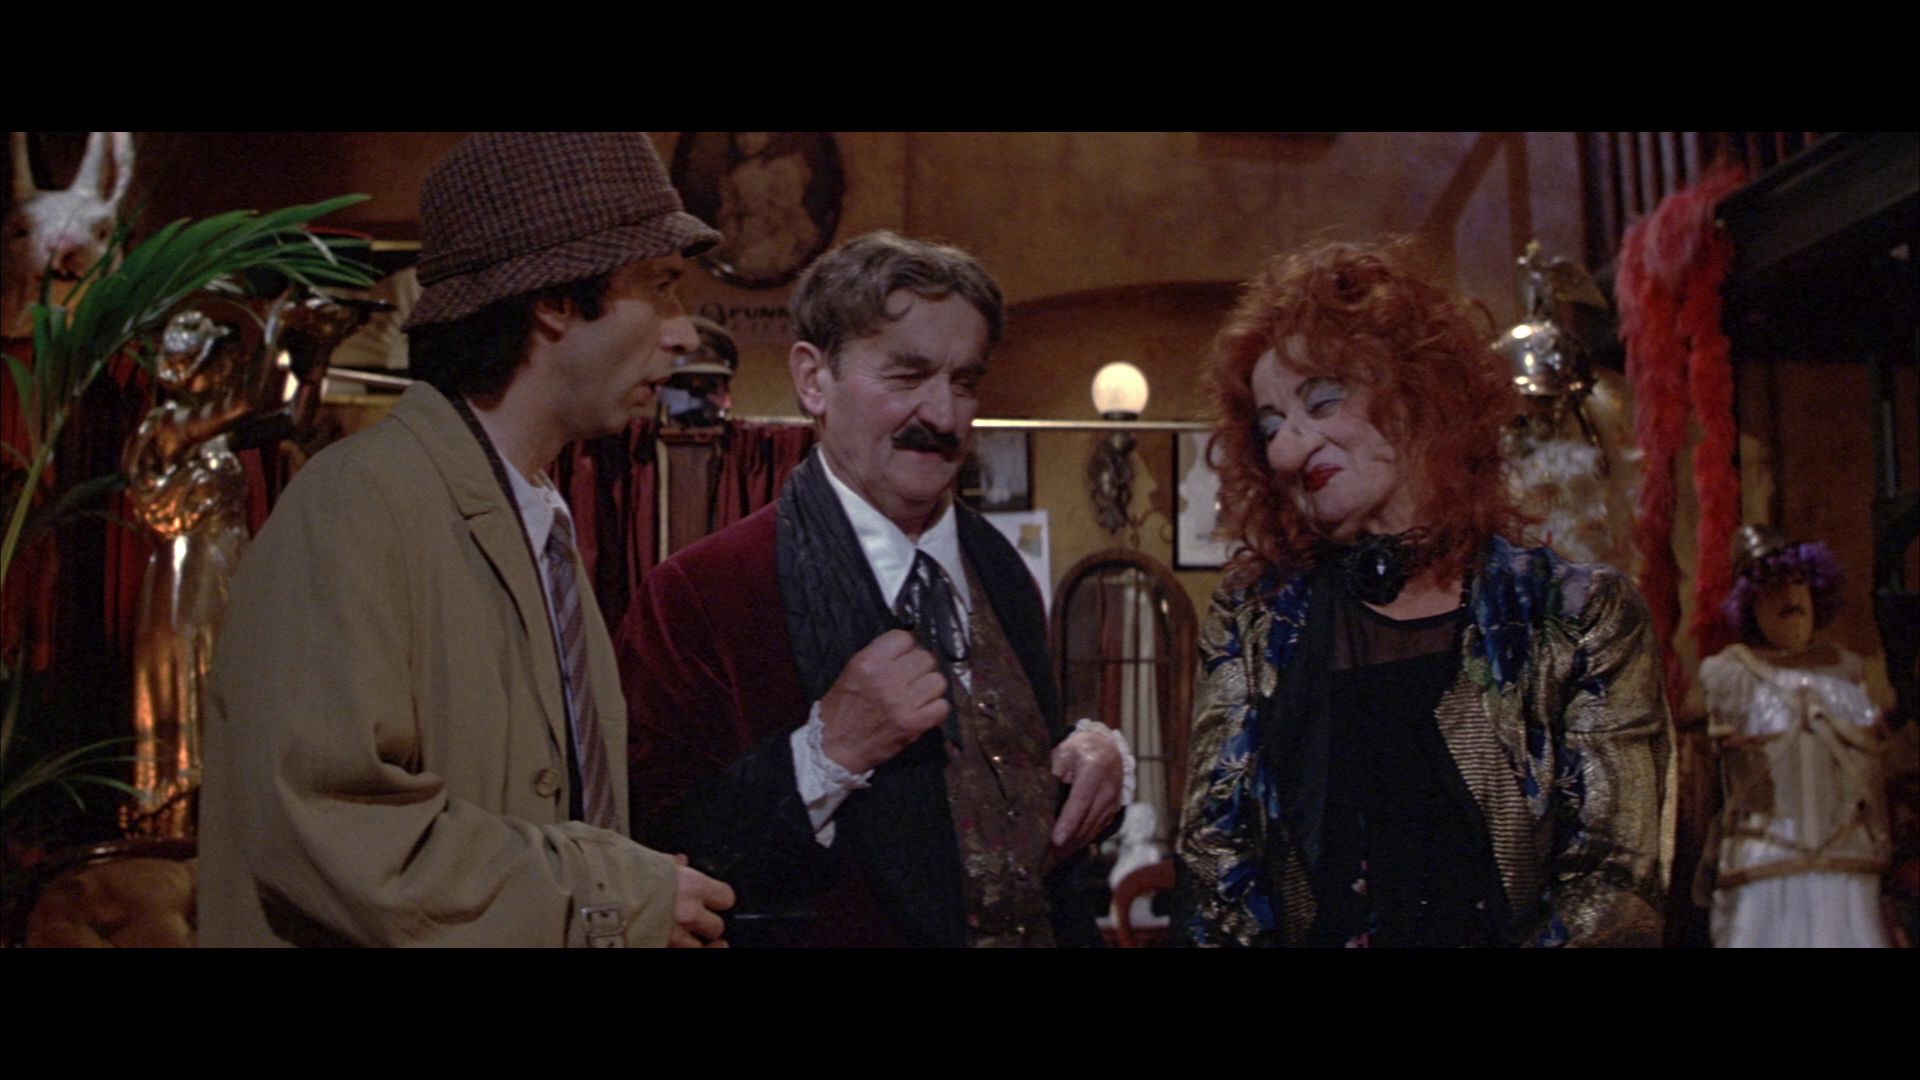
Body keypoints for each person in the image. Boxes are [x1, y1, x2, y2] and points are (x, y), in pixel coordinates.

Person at [198, 131, 737, 947]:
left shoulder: (534, 513)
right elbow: (333, 823)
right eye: (659, 287)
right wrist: (612, 897)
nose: (684, 332)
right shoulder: (358, 502)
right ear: (553, 300)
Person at [620, 230, 1126, 946]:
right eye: (907, 376)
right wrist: (826, 753)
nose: (944, 416)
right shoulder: (701, 594)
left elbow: (1000, 792)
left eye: (964, 382)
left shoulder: (1000, 569)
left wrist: (1089, 758)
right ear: (812, 380)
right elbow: (663, 858)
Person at [1177, 241, 1672, 947]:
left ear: (1417, 392)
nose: (1286, 450)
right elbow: (1213, 866)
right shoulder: (1256, 618)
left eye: (1322, 400)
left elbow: (1614, 891)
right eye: (1270, 427)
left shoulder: (1579, 617)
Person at [1700, 527, 1890, 947]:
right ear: (1751, 602)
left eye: (1798, 581)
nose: (1790, 596)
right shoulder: (1731, 675)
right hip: (1765, 863)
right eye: (1773, 587)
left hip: (1847, 863)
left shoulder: (1850, 672)